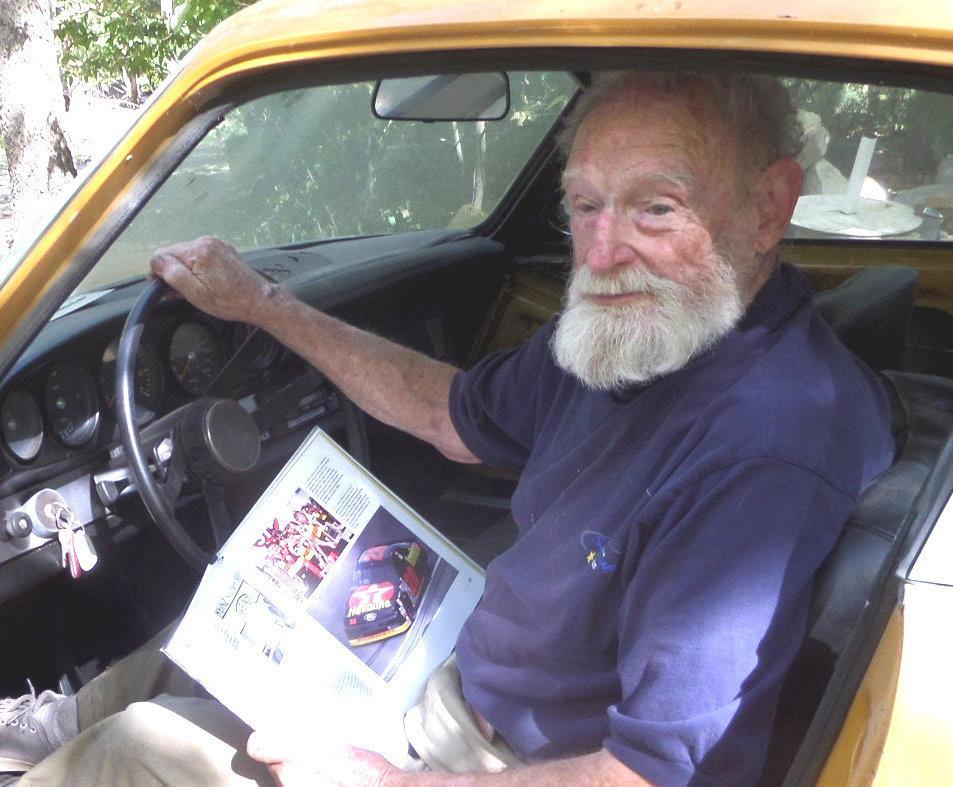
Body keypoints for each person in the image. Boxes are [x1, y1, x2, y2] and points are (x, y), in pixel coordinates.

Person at [0, 71, 895, 786]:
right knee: (225, 613)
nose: (601, 253)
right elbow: (451, 413)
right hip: (455, 657)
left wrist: (381, 778)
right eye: (585, 206)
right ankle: (40, 734)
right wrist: (267, 306)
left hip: (497, 754)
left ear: (769, 207)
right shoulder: (644, 331)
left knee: (136, 747)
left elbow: (654, 773)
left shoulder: (765, 443)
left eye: (655, 208)